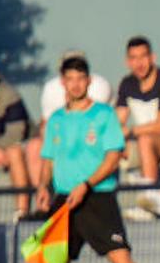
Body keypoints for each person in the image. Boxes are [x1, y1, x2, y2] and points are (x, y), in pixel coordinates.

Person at [35, 55, 160, 263]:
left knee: (123, 261)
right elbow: (47, 159)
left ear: (88, 82)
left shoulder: (104, 116)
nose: (76, 84)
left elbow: (112, 158)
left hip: (97, 197)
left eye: (81, 78)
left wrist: (87, 184)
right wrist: (43, 187)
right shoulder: (55, 120)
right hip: (63, 201)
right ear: (63, 82)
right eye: (70, 79)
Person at [115, 36, 160, 217]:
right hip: (146, 142)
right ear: (127, 62)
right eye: (133, 58)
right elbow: (117, 121)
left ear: (152, 57)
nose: (139, 63)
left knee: (144, 140)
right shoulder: (127, 84)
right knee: (114, 147)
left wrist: (129, 132)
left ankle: (152, 200)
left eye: (143, 56)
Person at [26, 50, 113, 190]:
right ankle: (43, 198)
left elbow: (91, 130)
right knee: (35, 147)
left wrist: (85, 186)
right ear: (63, 78)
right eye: (70, 76)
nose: (75, 83)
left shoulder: (102, 104)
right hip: (65, 190)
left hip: (95, 190)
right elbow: (48, 130)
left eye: (80, 75)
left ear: (88, 79)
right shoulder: (55, 110)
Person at [0, 58, 36, 219]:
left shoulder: (10, 96)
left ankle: (22, 211)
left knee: (14, 151)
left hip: (18, 148)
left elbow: (16, 133)